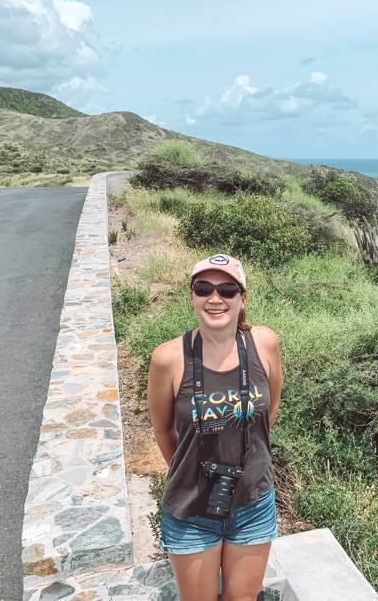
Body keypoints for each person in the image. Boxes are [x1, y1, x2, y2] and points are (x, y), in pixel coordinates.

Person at [147, 253, 283, 601]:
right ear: (191, 297)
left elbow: (270, 411)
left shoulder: (265, 344)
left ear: (242, 298)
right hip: (192, 509)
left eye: (227, 289)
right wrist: (194, 470)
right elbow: (163, 430)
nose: (215, 298)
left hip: (253, 503)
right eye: (203, 288)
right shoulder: (169, 358)